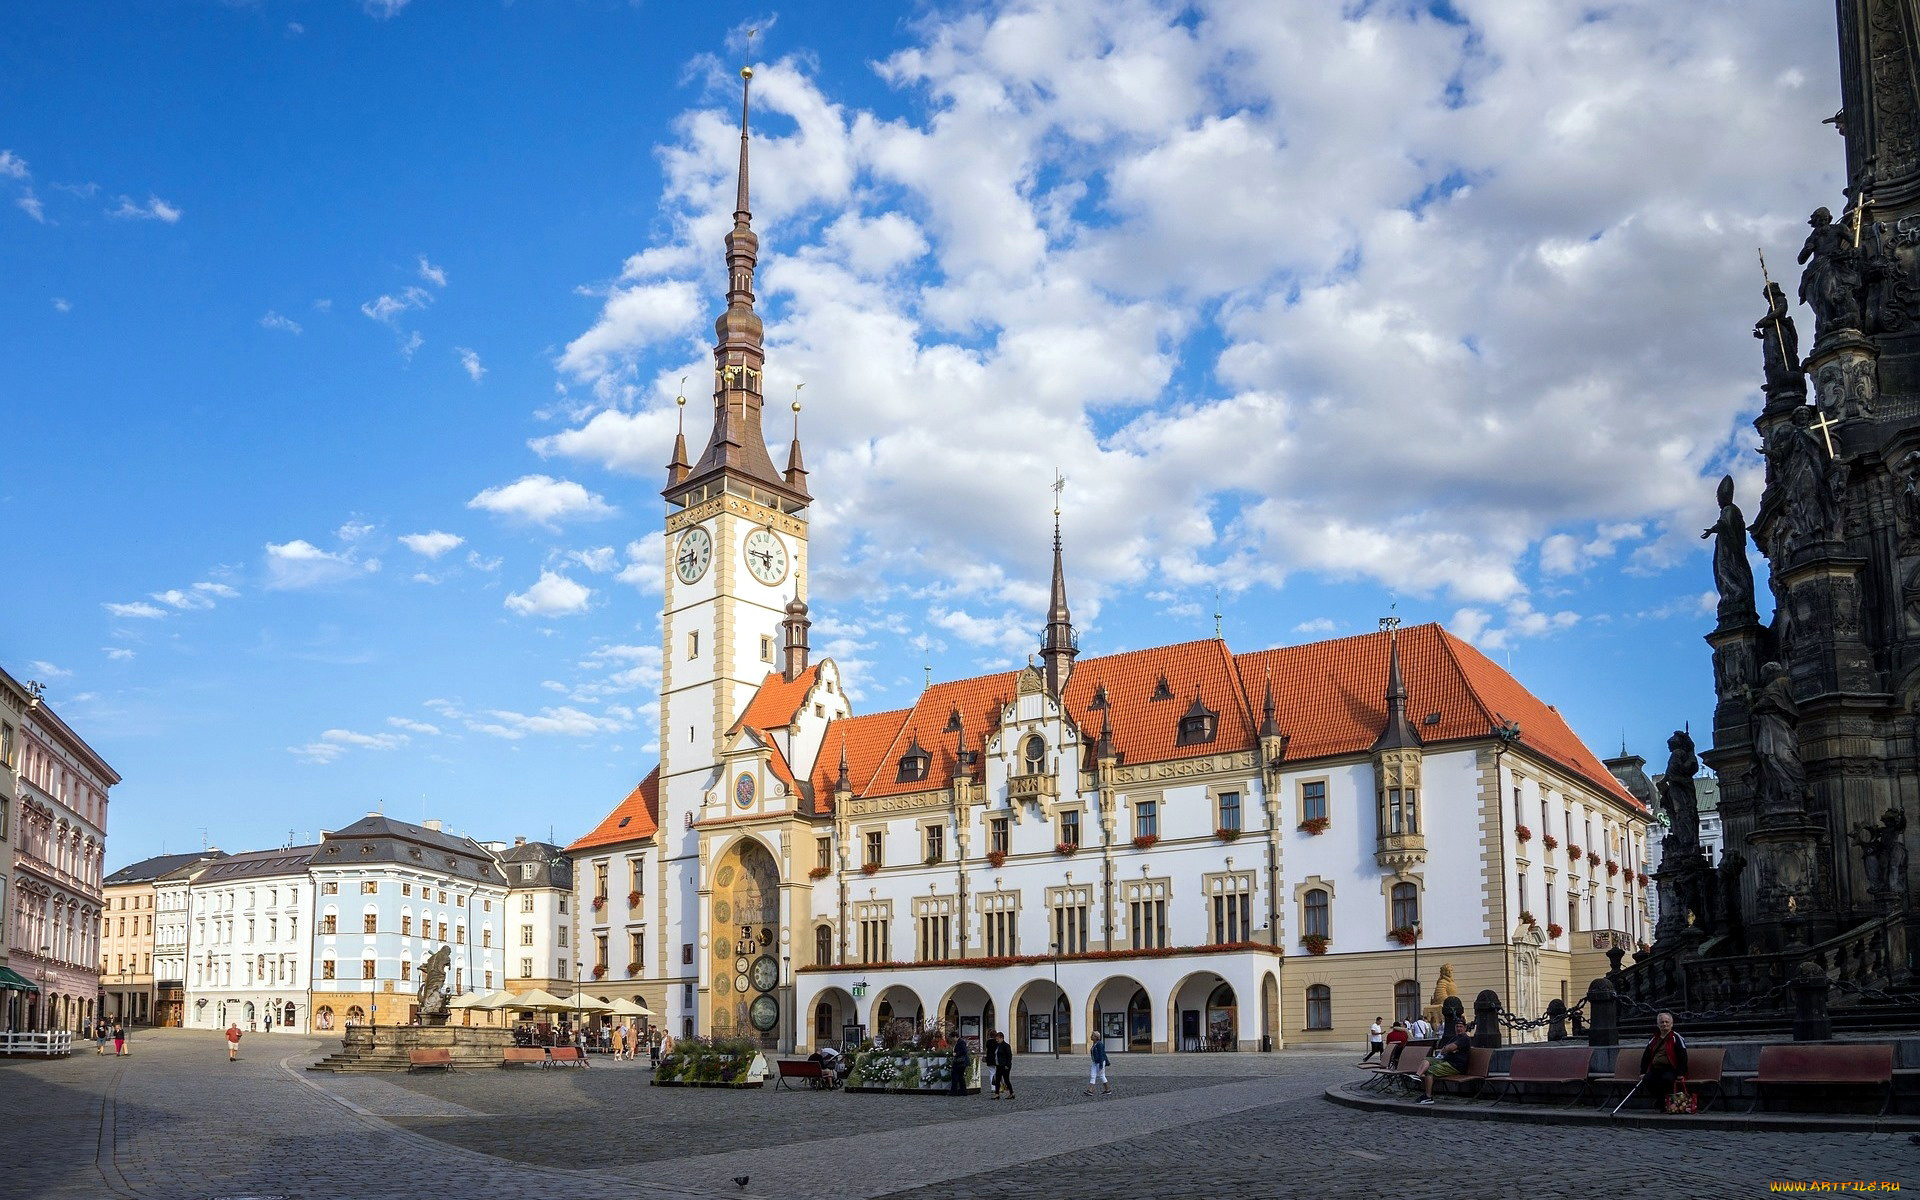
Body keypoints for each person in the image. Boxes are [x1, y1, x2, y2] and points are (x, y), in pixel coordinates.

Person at [1639, 1011, 1689, 1109]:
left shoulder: (1676, 1037)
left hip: (1671, 1068)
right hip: (1656, 1068)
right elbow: (1646, 1055)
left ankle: (1666, 1103)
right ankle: (1661, 1100)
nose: (1664, 1024)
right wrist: (1643, 1072)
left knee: (1667, 1080)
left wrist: (1681, 1073)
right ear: (1658, 1024)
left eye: (1667, 1022)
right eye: (1662, 1022)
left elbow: (1683, 1056)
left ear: (1672, 1024)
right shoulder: (1654, 1038)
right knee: (1647, 1080)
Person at [1418, 1019, 1472, 1104]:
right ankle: (1417, 1076)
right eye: (1457, 1026)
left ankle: (1428, 1096)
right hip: (1445, 1061)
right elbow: (1445, 1048)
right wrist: (1449, 1049)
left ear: (1465, 1028)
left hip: (1455, 1066)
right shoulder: (1455, 1038)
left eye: (1461, 1027)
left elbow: (1449, 1048)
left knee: (1429, 1071)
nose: (1459, 1028)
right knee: (1427, 1059)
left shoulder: (1465, 1038)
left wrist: (1449, 1049)